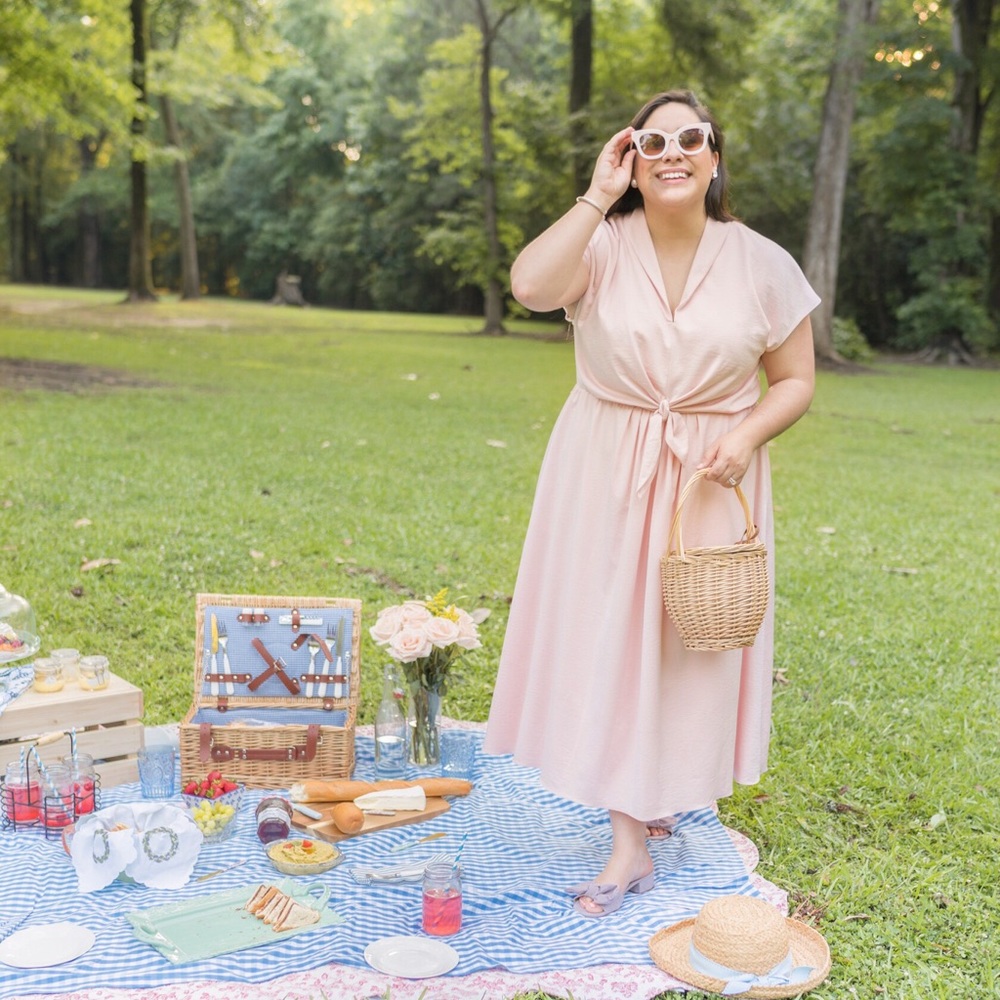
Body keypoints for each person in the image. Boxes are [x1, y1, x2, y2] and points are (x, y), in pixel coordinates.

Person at [483, 90, 818, 917]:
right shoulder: (600, 245)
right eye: (654, 140)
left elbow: (797, 380)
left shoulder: (763, 262)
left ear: (715, 156)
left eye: (691, 139)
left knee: (681, 645)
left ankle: (657, 790)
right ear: (632, 156)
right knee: (613, 640)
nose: (674, 153)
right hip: (604, 468)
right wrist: (596, 196)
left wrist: (744, 438)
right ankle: (629, 843)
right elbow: (528, 285)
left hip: (709, 474)